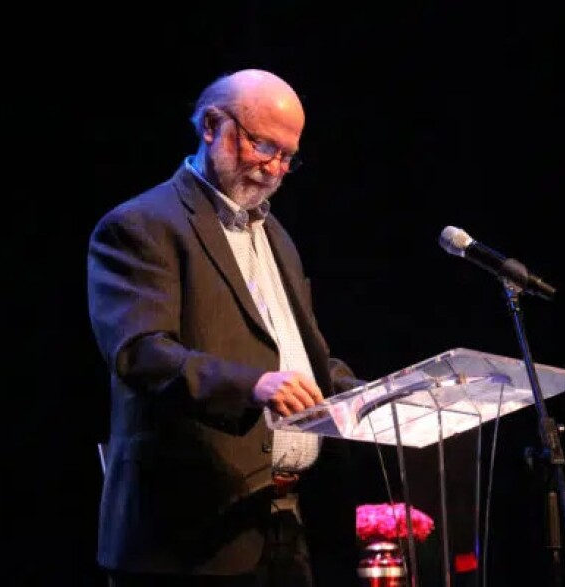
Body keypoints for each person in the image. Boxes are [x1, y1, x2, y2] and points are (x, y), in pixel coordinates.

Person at [87, 69, 364, 586]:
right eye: (263, 146)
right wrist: (253, 385)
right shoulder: (141, 225)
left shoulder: (275, 233)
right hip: (186, 539)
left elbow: (295, 354)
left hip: (279, 521)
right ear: (213, 125)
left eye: (288, 157)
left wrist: (371, 394)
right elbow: (140, 353)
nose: (275, 169)